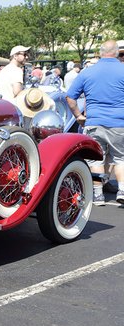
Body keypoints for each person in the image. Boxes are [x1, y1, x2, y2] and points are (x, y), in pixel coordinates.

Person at [66, 39, 124, 205]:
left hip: (94, 121)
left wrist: (78, 116)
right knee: (121, 158)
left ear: (100, 52)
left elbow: (70, 97)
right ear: (116, 52)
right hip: (120, 122)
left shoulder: (87, 72)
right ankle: (122, 190)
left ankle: (98, 195)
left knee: (96, 159)